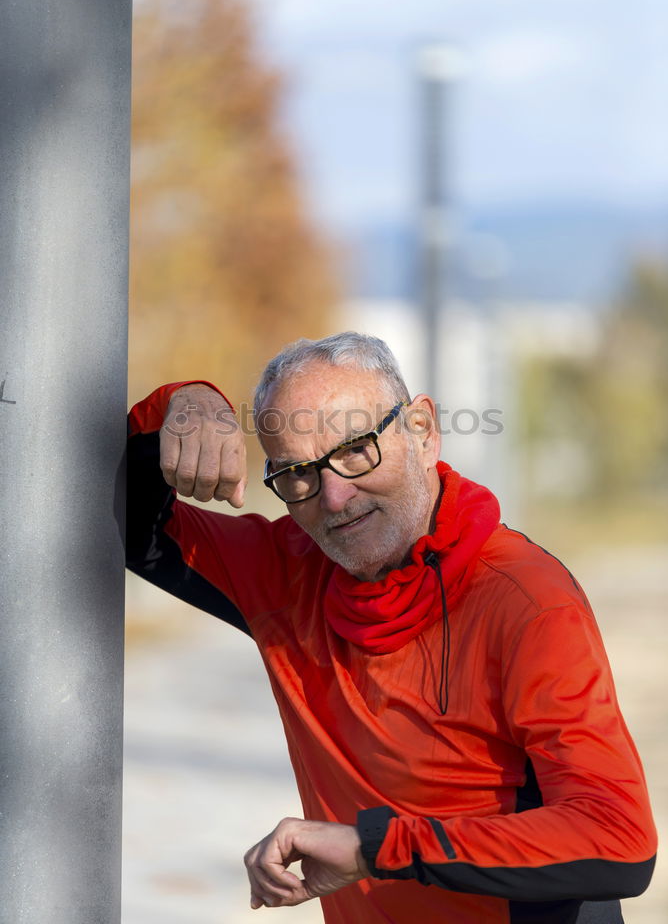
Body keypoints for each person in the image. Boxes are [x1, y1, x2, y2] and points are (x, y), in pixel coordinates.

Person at [126, 332, 656, 924]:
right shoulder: (287, 572)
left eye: (356, 450)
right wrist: (185, 403)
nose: (334, 497)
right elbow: (116, 511)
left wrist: (374, 847)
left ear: (423, 431)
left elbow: (617, 837)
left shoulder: (527, 601)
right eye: (298, 474)